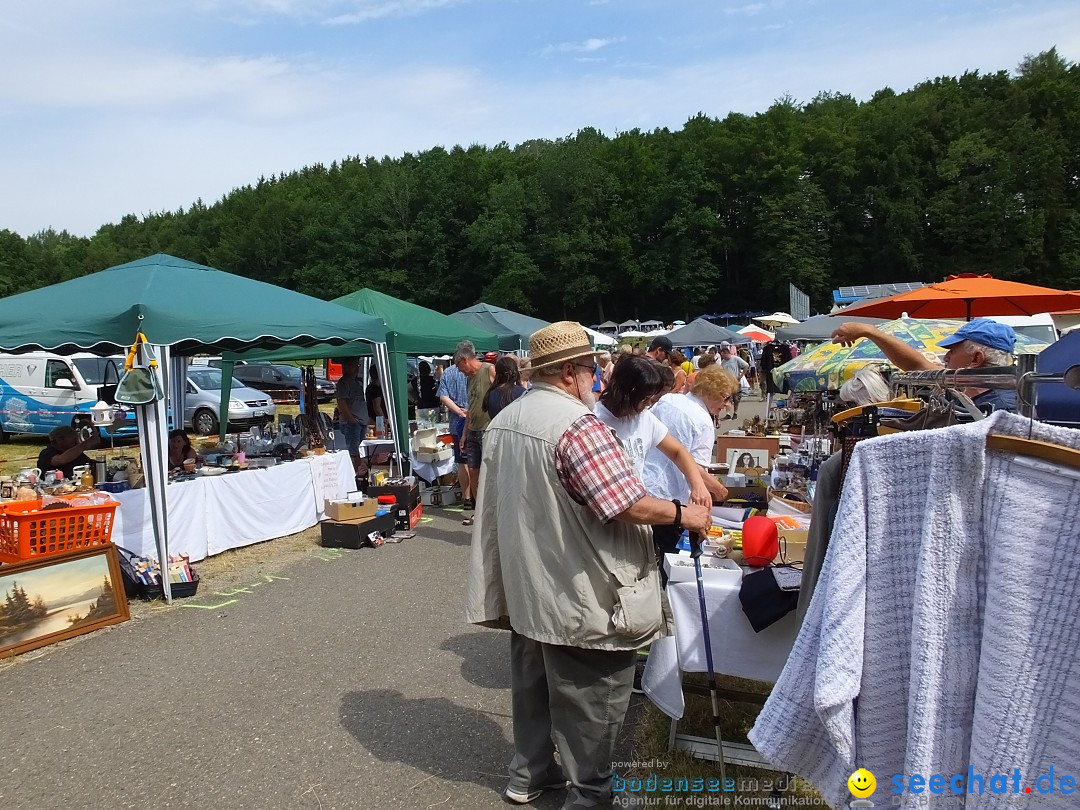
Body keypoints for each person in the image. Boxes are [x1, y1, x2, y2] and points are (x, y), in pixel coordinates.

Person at [465, 321, 711, 810]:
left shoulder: (508, 419)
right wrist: (687, 513)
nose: (597, 380)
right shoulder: (578, 426)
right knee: (593, 699)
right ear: (570, 373)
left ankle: (530, 773)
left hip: (528, 582)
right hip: (579, 588)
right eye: (591, 370)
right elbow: (624, 504)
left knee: (533, 687)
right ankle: (590, 796)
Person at [642, 366, 738, 560]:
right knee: (669, 555)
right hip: (670, 494)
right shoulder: (703, 422)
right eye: (726, 398)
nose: (726, 405)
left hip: (643, 483)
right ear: (713, 393)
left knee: (644, 547)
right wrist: (719, 490)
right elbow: (695, 468)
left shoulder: (668, 399)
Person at [831, 317, 1019, 413]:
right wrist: (869, 332)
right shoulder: (961, 388)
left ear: (976, 359)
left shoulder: (1003, 407)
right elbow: (915, 365)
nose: (946, 358)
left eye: (952, 350)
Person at [595, 355, 711, 508]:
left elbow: (677, 451)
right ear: (626, 393)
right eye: (644, 399)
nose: (649, 404)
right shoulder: (595, 420)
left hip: (642, 505)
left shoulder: (644, 417)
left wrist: (699, 486)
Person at [457, 342, 496, 525]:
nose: (461, 371)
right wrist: (464, 434)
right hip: (472, 429)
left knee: (489, 473)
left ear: (465, 360)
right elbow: (471, 408)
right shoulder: (469, 378)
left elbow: (501, 397)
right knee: (473, 471)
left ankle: (492, 512)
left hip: (488, 429)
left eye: (460, 366)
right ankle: (479, 511)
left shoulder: (489, 369)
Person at [437, 348, 471, 507]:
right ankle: (477, 496)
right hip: (476, 418)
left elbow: (443, 396)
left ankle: (466, 497)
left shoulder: (448, 372)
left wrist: (458, 411)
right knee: (477, 461)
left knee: (462, 461)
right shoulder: (477, 369)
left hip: (456, 421)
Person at [335, 358, 370, 476]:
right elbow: (342, 403)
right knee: (354, 452)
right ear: (345, 366)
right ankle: (355, 476)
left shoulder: (356, 383)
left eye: (358, 365)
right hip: (352, 423)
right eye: (354, 365)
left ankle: (360, 474)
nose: (357, 368)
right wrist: (352, 420)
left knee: (359, 451)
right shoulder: (343, 382)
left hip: (360, 422)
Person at [718, 342, 750, 419]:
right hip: (727, 383)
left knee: (736, 399)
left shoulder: (736, 359)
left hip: (735, 382)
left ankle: (735, 413)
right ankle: (728, 414)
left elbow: (746, 366)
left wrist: (741, 376)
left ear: (726, 353)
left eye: (723, 355)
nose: (722, 357)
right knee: (727, 398)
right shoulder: (723, 362)